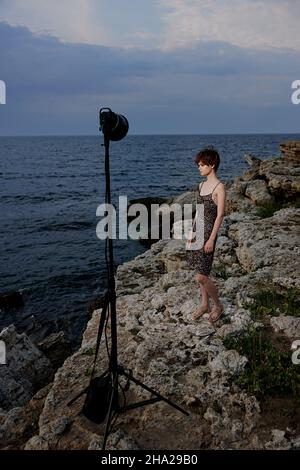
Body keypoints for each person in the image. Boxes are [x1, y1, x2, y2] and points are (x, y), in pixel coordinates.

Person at [186, 147, 226, 323]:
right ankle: (204, 304)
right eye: (198, 165)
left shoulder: (219, 187)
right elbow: (198, 212)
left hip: (209, 233)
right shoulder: (201, 185)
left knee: (202, 276)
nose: (199, 168)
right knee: (199, 270)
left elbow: (220, 215)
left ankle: (218, 306)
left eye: (202, 165)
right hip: (198, 230)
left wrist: (211, 239)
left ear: (213, 164)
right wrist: (191, 232)